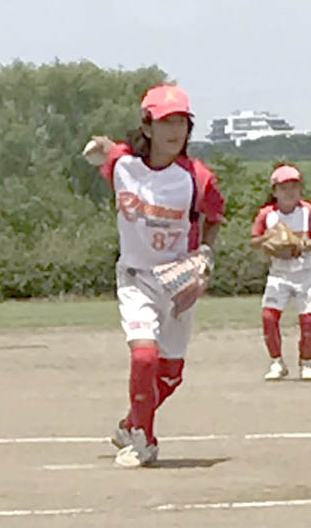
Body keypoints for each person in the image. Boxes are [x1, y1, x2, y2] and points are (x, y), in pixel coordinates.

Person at [88, 84, 225, 468]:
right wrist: (101, 148)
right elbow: (110, 152)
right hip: (136, 277)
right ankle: (144, 441)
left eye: (182, 121)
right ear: (147, 125)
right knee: (145, 357)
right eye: (166, 121)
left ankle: (131, 423)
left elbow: (213, 218)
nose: (175, 130)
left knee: (170, 376)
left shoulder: (197, 177)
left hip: (178, 279)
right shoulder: (123, 163)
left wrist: (205, 258)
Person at [250, 164, 311, 381]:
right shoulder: (267, 214)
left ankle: (308, 363)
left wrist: (301, 244)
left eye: (294, 186)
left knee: (308, 320)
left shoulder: (308, 211)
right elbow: (254, 240)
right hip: (279, 273)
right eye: (283, 187)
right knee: (269, 317)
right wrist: (269, 240)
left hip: (307, 272)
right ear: (274, 192)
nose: (289, 192)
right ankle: (277, 362)